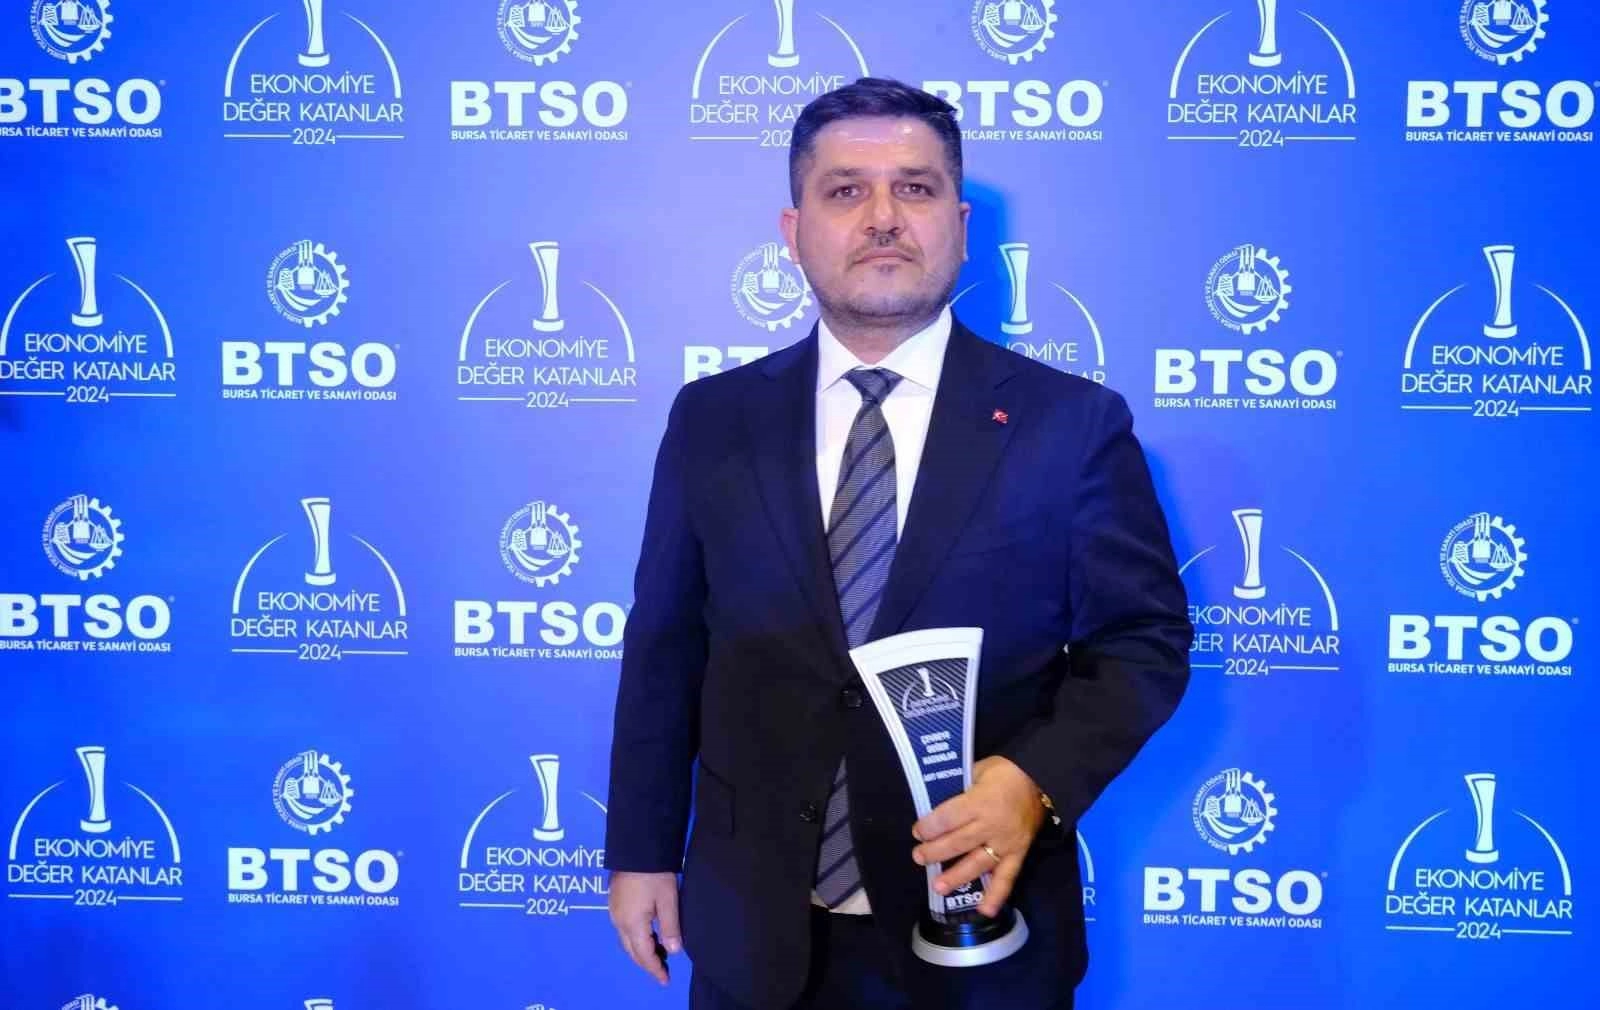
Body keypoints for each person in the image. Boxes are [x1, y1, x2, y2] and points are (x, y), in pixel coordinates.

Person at [605, 77, 1192, 1010]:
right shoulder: (713, 419)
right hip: (755, 931)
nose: (882, 217)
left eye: (914, 188)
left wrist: (1033, 782)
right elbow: (665, 648)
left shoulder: (1071, 425)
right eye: (845, 191)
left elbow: (1142, 643)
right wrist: (640, 850)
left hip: (980, 934)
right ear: (794, 230)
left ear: (959, 223)